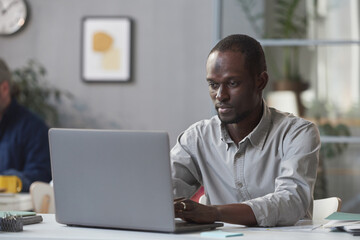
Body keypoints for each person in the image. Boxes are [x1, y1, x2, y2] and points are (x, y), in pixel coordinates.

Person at [171, 34, 320, 227]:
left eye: (232, 83)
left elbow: (291, 201)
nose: (220, 96)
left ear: (261, 81)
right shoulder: (197, 137)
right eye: (213, 85)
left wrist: (214, 212)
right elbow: (161, 192)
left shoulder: (297, 133)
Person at [0, 58, 52, 192]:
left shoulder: (34, 128)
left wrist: (7, 181)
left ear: (5, 88)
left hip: (17, 211)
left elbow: (41, 177)